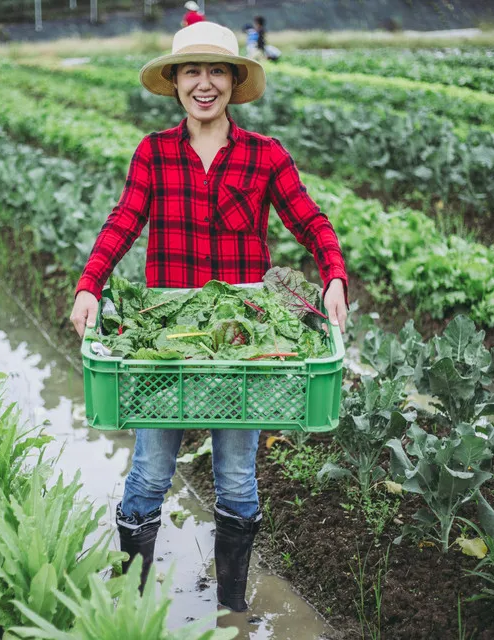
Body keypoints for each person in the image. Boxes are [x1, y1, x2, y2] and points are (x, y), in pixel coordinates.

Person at [70, 21, 348, 613]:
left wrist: (333, 276)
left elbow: (311, 221)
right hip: (167, 340)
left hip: (243, 341)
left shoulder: (264, 156)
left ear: (233, 82)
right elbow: (124, 222)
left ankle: (232, 608)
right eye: (191, 71)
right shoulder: (154, 151)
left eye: (216, 71)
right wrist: (90, 284)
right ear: (174, 83)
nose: (204, 84)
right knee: (149, 473)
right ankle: (134, 606)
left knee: (238, 479)